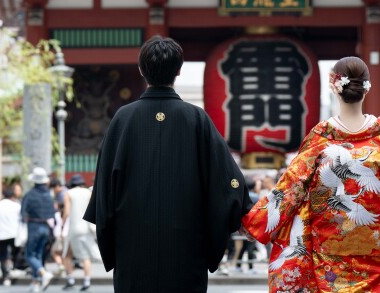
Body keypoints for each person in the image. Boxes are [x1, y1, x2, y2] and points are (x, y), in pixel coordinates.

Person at [85, 36, 252, 293]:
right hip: (186, 251)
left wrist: (113, 246)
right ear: (179, 71)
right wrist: (238, 214)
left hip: (133, 253)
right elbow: (229, 183)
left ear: (142, 70)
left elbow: (105, 189)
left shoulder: (123, 119)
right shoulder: (197, 119)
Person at [242, 56, 380, 292]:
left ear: (334, 86)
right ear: (366, 87)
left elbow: (291, 187)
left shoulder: (321, 136)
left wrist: (255, 223)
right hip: (378, 249)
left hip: (328, 252)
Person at [62, 174, 99, 291]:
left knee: (67, 254)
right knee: (85, 256)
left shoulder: (69, 193)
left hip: (73, 228)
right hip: (87, 228)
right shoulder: (88, 192)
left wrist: (62, 223)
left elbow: (67, 212)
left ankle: (70, 279)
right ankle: (87, 280)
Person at [23, 167, 55, 292]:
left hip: (34, 226)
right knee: (38, 254)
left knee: (30, 255)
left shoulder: (30, 194)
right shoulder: (48, 195)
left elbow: (23, 212)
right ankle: (35, 282)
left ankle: (43, 273)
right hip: (46, 227)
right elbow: (52, 212)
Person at [0, 186, 22, 287]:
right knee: (16, 252)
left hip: (1, 234)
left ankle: (5, 276)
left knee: (2, 256)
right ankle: (14, 269)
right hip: (14, 233)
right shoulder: (16, 205)